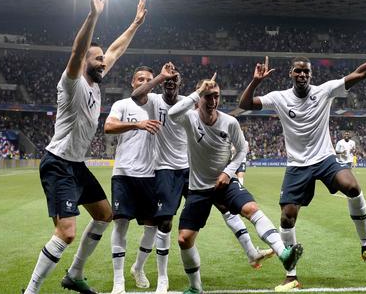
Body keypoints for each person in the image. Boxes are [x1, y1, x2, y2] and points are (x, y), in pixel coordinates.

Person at [238, 26, 366, 292]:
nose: (303, 74)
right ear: (291, 74)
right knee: (287, 217)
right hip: (297, 165)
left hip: (325, 158)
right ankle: (291, 275)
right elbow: (245, 104)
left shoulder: (325, 91)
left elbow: (360, 73)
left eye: (306, 70)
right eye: (298, 70)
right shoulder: (279, 98)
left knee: (352, 187)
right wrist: (256, 82)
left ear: (311, 74)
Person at [22, 0, 147, 294]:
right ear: (86, 62)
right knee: (65, 233)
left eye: (103, 59)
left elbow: (115, 50)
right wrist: (93, 15)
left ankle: (74, 273)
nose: (104, 61)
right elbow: (79, 51)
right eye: (98, 58)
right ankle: (30, 291)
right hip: (58, 163)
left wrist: (134, 24)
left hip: (77, 165)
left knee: (105, 214)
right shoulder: (72, 83)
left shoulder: (95, 85)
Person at [130, 64, 274, 294]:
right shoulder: (156, 101)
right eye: (166, 81)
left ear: (179, 85)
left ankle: (250, 251)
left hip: (191, 169)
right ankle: (162, 277)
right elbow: (136, 95)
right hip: (166, 168)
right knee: (166, 223)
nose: (169, 83)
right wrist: (160, 76)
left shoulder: (190, 103)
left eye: (173, 81)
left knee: (226, 207)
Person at [169, 75, 303, 294]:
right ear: (199, 98)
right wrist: (197, 92)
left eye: (216, 96)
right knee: (184, 239)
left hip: (225, 183)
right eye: (207, 97)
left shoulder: (229, 122)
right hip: (198, 188)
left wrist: (227, 172)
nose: (213, 101)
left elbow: (242, 150)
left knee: (251, 209)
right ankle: (195, 288)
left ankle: (284, 253)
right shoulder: (190, 119)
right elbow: (172, 113)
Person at [104, 66, 163, 294]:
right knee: (121, 224)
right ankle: (118, 281)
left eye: (149, 80)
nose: (145, 82)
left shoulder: (156, 103)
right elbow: (109, 127)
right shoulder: (122, 105)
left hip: (150, 174)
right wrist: (136, 124)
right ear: (132, 82)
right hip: (124, 174)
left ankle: (138, 268)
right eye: (140, 79)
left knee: (153, 227)